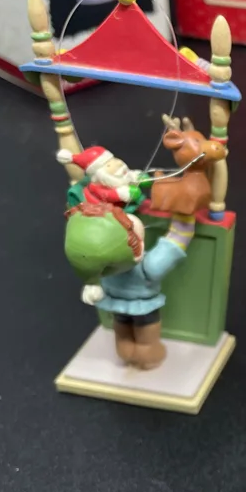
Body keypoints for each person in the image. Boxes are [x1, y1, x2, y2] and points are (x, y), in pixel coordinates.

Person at [64, 201, 194, 369]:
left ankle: (126, 354)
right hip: (145, 310)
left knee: (123, 336)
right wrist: (185, 215)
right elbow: (177, 239)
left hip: (116, 307)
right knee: (147, 342)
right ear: (137, 249)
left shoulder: (100, 270)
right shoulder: (150, 266)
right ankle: (148, 358)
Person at [57, 145, 146, 209]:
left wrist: (137, 177)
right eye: (109, 165)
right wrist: (122, 194)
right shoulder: (96, 187)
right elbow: (108, 195)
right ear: (99, 174)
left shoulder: (119, 176)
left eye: (114, 159)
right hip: (109, 210)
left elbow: (128, 176)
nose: (119, 163)